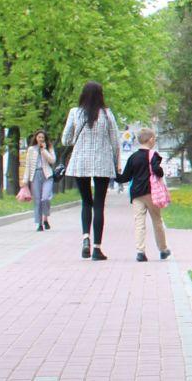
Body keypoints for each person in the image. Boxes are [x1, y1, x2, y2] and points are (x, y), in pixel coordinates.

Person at [60, 81, 122, 261]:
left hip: (80, 162)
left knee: (86, 202)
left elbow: (65, 140)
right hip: (102, 162)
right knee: (99, 205)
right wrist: (116, 163)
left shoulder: (75, 112)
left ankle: (85, 238)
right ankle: (97, 248)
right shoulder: (107, 114)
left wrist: (79, 140)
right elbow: (115, 141)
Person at [118, 126, 171, 263]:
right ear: (151, 139)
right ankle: (163, 249)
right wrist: (159, 171)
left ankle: (140, 252)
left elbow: (125, 177)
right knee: (157, 221)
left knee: (139, 222)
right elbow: (157, 171)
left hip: (136, 194)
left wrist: (114, 174)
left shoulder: (133, 157)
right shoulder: (153, 155)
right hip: (151, 193)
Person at [23, 130, 59, 231]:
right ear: (36, 138)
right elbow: (28, 165)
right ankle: (39, 224)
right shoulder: (31, 149)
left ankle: (45, 218)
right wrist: (25, 180)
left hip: (47, 175)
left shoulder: (49, 148)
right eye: (39, 137)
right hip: (35, 175)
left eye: (43, 137)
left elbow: (52, 160)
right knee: (37, 200)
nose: (41, 139)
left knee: (45, 198)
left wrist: (44, 150)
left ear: (45, 139)